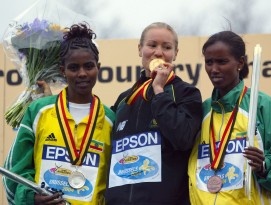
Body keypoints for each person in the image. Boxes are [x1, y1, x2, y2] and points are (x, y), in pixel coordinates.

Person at [3, 23, 115, 205]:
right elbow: (17, 170)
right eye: (73, 67)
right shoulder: (39, 111)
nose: (82, 73)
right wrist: (31, 197)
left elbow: (114, 183)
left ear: (98, 67)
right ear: (63, 70)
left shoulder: (110, 119)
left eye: (88, 66)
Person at [188, 30, 271, 205]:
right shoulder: (203, 109)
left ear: (240, 62)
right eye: (209, 62)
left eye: (222, 62)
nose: (214, 69)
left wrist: (264, 165)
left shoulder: (261, 103)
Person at [105, 22, 203, 205]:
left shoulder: (187, 93)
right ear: (140, 49)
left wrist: (159, 90)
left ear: (175, 54)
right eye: (152, 45)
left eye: (167, 47)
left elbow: (183, 138)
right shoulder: (125, 99)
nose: (159, 52)